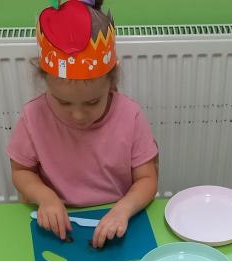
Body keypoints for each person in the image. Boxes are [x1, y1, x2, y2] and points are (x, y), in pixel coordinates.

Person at [9, 0, 158, 248]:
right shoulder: (33, 116)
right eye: (63, 102)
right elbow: (21, 171)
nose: (78, 115)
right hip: (57, 225)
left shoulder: (130, 115)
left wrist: (123, 209)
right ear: (45, 81)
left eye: (92, 102)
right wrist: (45, 197)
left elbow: (147, 179)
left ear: (111, 82)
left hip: (117, 219)